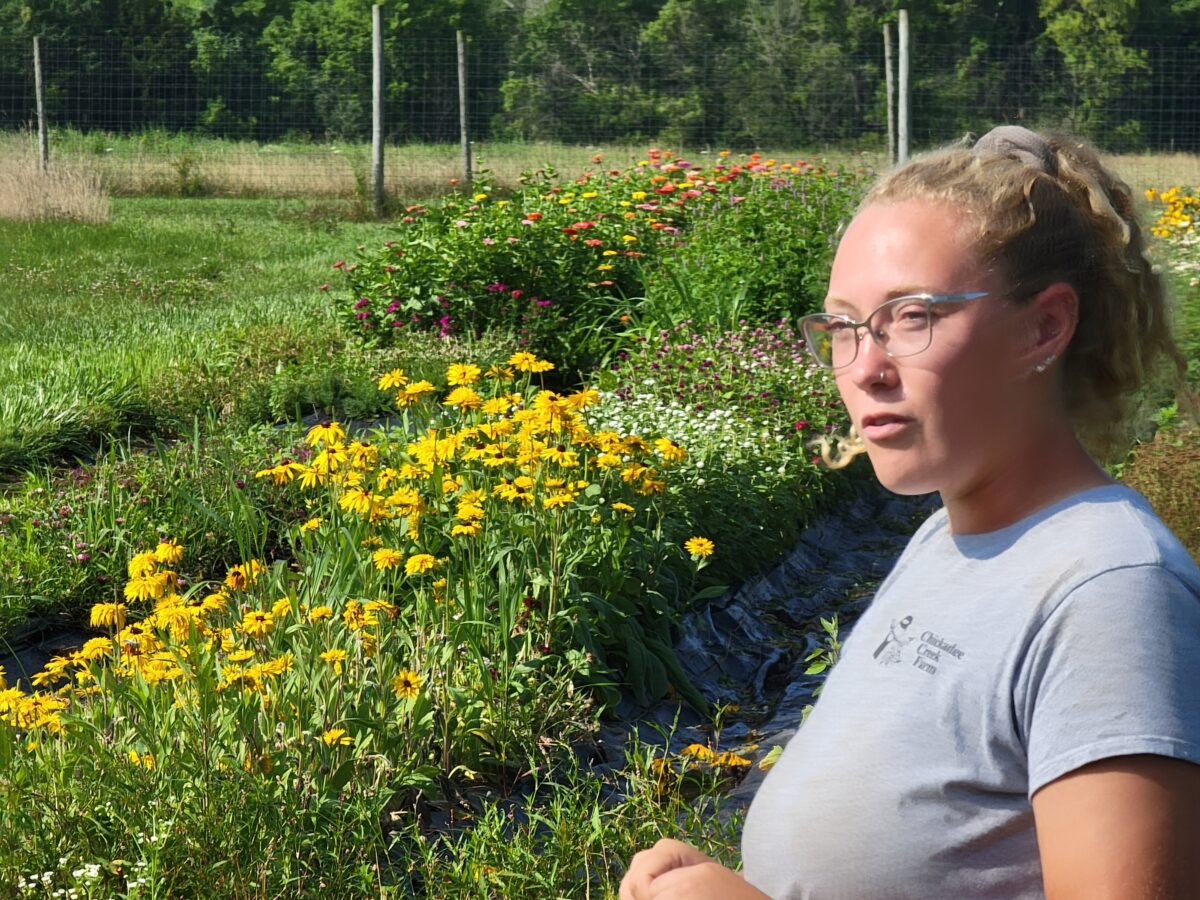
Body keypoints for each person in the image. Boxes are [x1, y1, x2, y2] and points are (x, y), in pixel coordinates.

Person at [619, 126, 1200, 899]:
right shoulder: (949, 537)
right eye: (844, 327)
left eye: (912, 317)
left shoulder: (1107, 592)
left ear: (1045, 326)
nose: (865, 368)